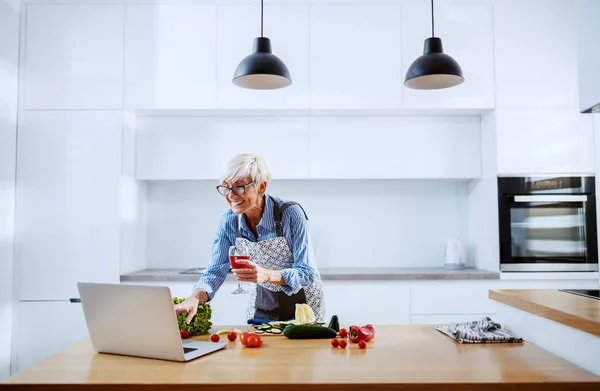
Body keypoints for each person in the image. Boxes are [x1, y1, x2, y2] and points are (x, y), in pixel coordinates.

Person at [174, 153, 326, 324]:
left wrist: (266, 275)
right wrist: (194, 298)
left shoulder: (291, 214)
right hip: (263, 303)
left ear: (261, 187)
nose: (231, 196)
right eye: (226, 187)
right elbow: (214, 271)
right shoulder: (228, 221)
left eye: (239, 187)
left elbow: (307, 272)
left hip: (304, 307)